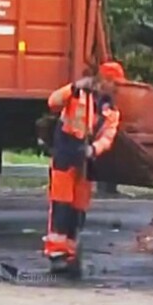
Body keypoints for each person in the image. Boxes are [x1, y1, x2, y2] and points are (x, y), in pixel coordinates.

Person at [42, 61, 125, 273]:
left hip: (86, 159)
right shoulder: (78, 93)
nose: (114, 88)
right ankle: (56, 253)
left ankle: (70, 251)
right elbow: (53, 102)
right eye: (112, 83)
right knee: (61, 205)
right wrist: (73, 87)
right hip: (65, 153)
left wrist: (94, 150)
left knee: (78, 209)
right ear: (103, 80)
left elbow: (108, 136)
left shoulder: (112, 111)